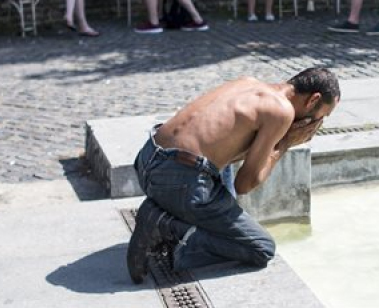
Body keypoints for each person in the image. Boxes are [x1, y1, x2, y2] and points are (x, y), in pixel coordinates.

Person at [127, 67, 340, 283]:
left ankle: (172, 218)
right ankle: (166, 227)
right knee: (261, 248)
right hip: (178, 181)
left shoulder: (249, 82)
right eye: (323, 115)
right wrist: (285, 143)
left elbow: (226, 150)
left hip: (148, 159)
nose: (318, 123)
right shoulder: (281, 111)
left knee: (224, 178)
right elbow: (244, 184)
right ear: (313, 100)